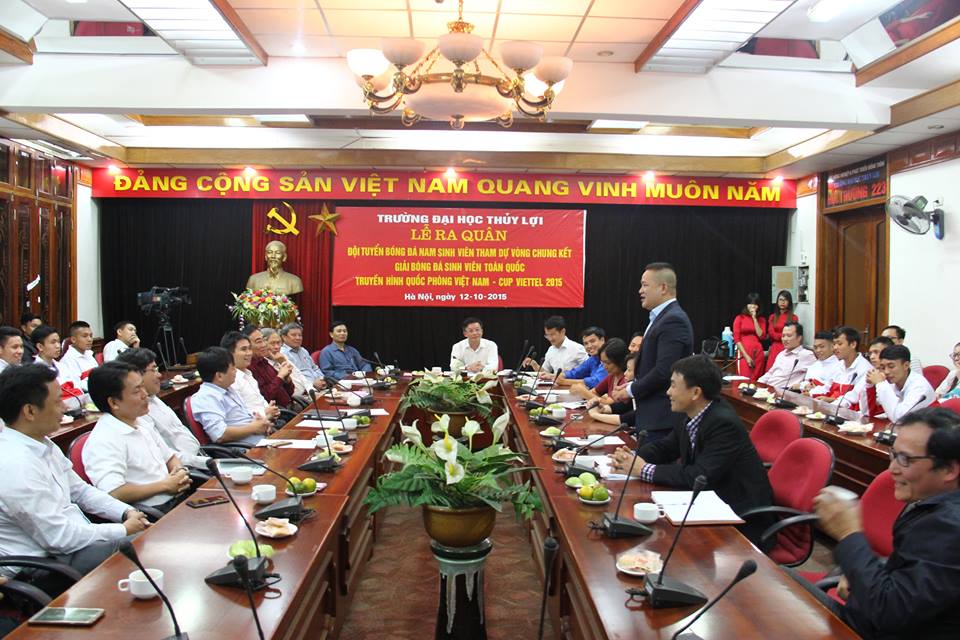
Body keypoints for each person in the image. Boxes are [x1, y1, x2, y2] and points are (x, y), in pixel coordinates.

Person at [810, 407, 960, 638]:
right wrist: (861, 574)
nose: (892, 469)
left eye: (905, 459)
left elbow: (889, 612)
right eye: (894, 454)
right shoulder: (933, 504)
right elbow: (911, 571)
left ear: (949, 470)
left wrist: (849, 534)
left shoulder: (950, 526)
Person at [0, 365, 148, 586]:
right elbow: (59, 538)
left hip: (73, 546)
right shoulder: (15, 464)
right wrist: (123, 529)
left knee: (152, 538)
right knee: (147, 546)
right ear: (30, 411)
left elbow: (81, 491)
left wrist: (126, 512)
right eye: (57, 401)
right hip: (44, 567)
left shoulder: (42, 443)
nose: (65, 407)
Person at [609, 355, 774, 547]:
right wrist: (631, 457)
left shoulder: (723, 423)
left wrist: (643, 469)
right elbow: (666, 447)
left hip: (742, 518)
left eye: (673, 386)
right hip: (707, 504)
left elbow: (699, 475)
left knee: (666, 545)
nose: (668, 392)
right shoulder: (689, 412)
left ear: (695, 392)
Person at [83, 363, 191, 514]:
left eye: (143, 387)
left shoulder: (141, 422)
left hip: (179, 497)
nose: (145, 394)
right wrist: (165, 486)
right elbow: (114, 492)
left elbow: (170, 457)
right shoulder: (103, 440)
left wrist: (179, 472)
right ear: (113, 402)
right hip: (155, 511)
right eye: (136, 391)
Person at [611, 262, 694, 441]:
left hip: (662, 419)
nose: (640, 291)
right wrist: (633, 384)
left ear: (663, 288)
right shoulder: (661, 318)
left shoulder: (673, 320)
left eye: (645, 285)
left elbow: (665, 370)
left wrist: (631, 390)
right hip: (651, 416)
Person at [116, 348, 210, 470]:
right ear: (137, 375)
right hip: (188, 468)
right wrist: (206, 462)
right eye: (154, 370)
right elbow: (163, 456)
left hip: (200, 456)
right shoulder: (138, 412)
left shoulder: (154, 398)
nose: (159, 375)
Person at [190, 346, 271, 448]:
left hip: (261, 441)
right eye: (233, 368)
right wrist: (253, 428)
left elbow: (241, 419)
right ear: (219, 376)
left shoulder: (228, 388)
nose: (236, 371)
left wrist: (259, 422)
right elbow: (220, 435)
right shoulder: (207, 397)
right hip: (245, 450)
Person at [859, 345, 935, 421]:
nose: (886, 372)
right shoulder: (891, 382)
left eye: (891, 366)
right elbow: (868, 413)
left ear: (906, 365)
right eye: (882, 367)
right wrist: (869, 385)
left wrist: (880, 384)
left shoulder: (919, 387)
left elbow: (899, 419)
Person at [220, 330, 281, 422]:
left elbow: (260, 402)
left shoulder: (248, 374)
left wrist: (271, 409)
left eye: (249, 348)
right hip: (253, 426)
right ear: (229, 354)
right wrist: (265, 413)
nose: (249, 353)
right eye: (244, 349)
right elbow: (238, 417)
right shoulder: (231, 380)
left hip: (269, 422)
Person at [819, 326, 872, 408]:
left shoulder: (865, 368)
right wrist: (810, 394)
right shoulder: (838, 365)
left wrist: (831, 406)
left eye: (839, 344)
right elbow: (826, 388)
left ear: (853, 344)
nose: (835, 348)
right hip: (835, 408)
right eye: (834, 344)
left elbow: (854, 398)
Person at [242, 326, 294, 409]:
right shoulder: (249, 367)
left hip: (290, 406)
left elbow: (290, 392)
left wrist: (287, 378)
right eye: (259, 342)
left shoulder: (264, 361)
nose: (264, 345)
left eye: (264, 340)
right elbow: (266, 397)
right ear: (247, 346)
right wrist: (280, 376)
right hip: (277, 411)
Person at [758, 321, 816, 391]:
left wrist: (801, 386)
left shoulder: (806, 355)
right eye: (783, 336)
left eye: (789, 336)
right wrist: (757, 384)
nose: (785, 339)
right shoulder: (781, 354)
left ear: (799, 338)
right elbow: (770, 374)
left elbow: (814, 379)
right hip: (767, 390)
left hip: (784, 393)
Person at [521, 316, 588, 376]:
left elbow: (589, 370)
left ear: (563, 331)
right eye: (547, 335)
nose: (550, 339)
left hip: (572, 384)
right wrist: (534, 364)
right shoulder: (551, 350)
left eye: (553, 335)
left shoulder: (577, 348)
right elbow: (545, 372)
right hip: (555, 385)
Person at [588, 351, 639, 427]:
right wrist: (602, 408)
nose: (625, 373)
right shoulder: (612, 377)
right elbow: (623, 406)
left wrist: (595, 415)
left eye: (629, 370)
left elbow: (627, 419)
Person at [262, 328, 312, 404]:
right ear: (263, 344)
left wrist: (312, 391)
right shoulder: (264, 364)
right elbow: (294, 391)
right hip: (294, 402)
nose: (277, 347)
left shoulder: (281, 357)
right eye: (272, 343)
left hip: (307, 396)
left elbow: (300, 376)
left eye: (278, 343)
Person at [279, 322, 326, 390]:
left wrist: (322, 379)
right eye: (294, 335)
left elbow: (315, 368)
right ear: (284, 337)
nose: (298, 338)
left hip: (319, 386)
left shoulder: (303, 351)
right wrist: (312, 383)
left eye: (300, 335)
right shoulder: (283, 353)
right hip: (305, 390)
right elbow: (294, 377)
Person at [733, 293, 767, 380]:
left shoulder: (761, 320)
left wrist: (754, 318)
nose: (753, 306)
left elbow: (761, 336)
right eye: (750, 303)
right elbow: (737, 339)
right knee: (744, 379)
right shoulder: (739, 318)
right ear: (746, 305)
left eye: (755, 304)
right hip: (744, 352)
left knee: (757, 380)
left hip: (758, 351)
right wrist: (746, 356)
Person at [57, 321, 98, 391]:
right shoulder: (68, 361)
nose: (90, 339)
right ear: (73, 339)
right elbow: (77, 387)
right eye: (85, 336)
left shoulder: (89, 354)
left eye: (91, 336)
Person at [764, 290, 798, 373]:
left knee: (784, 372)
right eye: (780, 300)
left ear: (789, 302)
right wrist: (784, 336)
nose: (783, 302)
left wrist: (780, 336)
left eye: (785, 300)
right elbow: (771, 333)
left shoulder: (793, 317)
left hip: (787, 347)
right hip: (775, 347)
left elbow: (792, 334)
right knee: (771, 371)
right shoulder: (772, 317)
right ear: (777, 301)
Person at [802, 330, 842, 395]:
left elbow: (831, 390)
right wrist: (804, 386)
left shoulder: (839, 366)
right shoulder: (814, 365)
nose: (818, 350)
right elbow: (806, 383)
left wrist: (812, 390)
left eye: (822, 347)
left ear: (832, 346)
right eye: (815, 347)